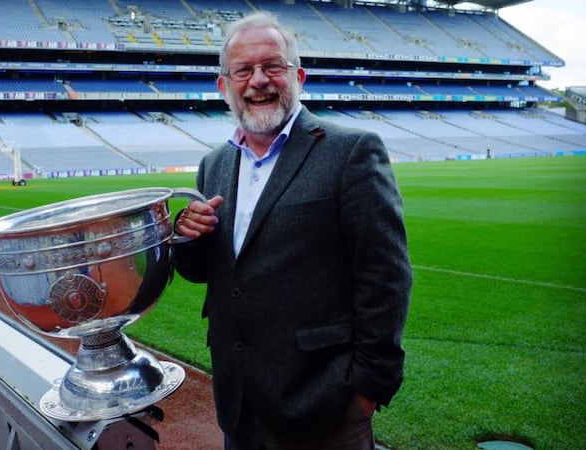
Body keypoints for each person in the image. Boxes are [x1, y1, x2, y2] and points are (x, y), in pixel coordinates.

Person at [173, 11, 412, 450]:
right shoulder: (214, 165)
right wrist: (188, 234)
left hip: (323, 406)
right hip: (238, 405)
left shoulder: (351, 151)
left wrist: (367, 390)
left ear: (297, 75)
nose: (258, 80)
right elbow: (207, 272)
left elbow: (386, 276)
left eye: (272, 66)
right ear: (224, 86)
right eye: (243, 70)